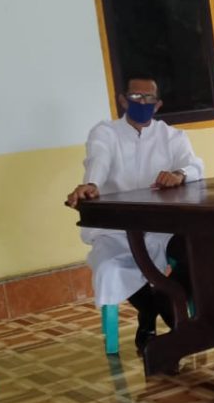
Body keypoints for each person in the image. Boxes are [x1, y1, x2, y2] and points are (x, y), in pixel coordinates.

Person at [65, 75, 204, 353]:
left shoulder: (172, 136)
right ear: (123, 101)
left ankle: (164, 304)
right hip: (117, 230)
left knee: (195, 254)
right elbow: (99, 160)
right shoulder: (105, 133)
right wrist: (92, 183)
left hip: (162, 228)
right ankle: (152, 310)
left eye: (148, 98)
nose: (142, 102)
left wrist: (179, 174)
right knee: (108, 268)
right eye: (136, 97)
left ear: (158, 104)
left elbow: (196, 166)